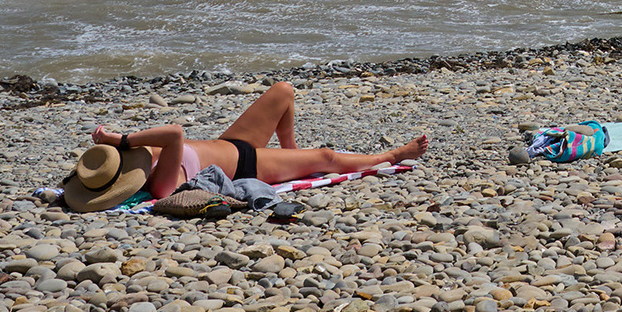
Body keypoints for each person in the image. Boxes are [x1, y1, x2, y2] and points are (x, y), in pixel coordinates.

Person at [92, 80, 427, 200]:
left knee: (283, 91)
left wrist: (124, 146)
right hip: (248, 166)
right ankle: (392, 155)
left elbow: (168, 137)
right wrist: (122, 139)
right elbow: (175, 133)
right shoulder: (160, 185)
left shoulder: (143, 154)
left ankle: (294, 156)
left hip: (231, 141)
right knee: (326, 157)